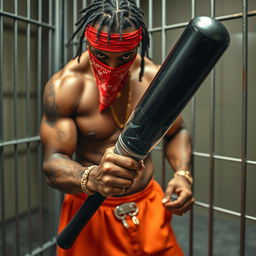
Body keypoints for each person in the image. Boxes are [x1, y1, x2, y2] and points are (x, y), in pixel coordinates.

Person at [40, 0, 195, 255]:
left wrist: (182, 174)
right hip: (90, 210)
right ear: (88, 43)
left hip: (148, 204)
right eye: (101, 56)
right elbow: (53, 162)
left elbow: (176, 132)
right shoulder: (66, 86)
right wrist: (91, 178)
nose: (112, 68)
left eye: (125, 57)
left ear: (137, 46)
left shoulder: (152, 78)